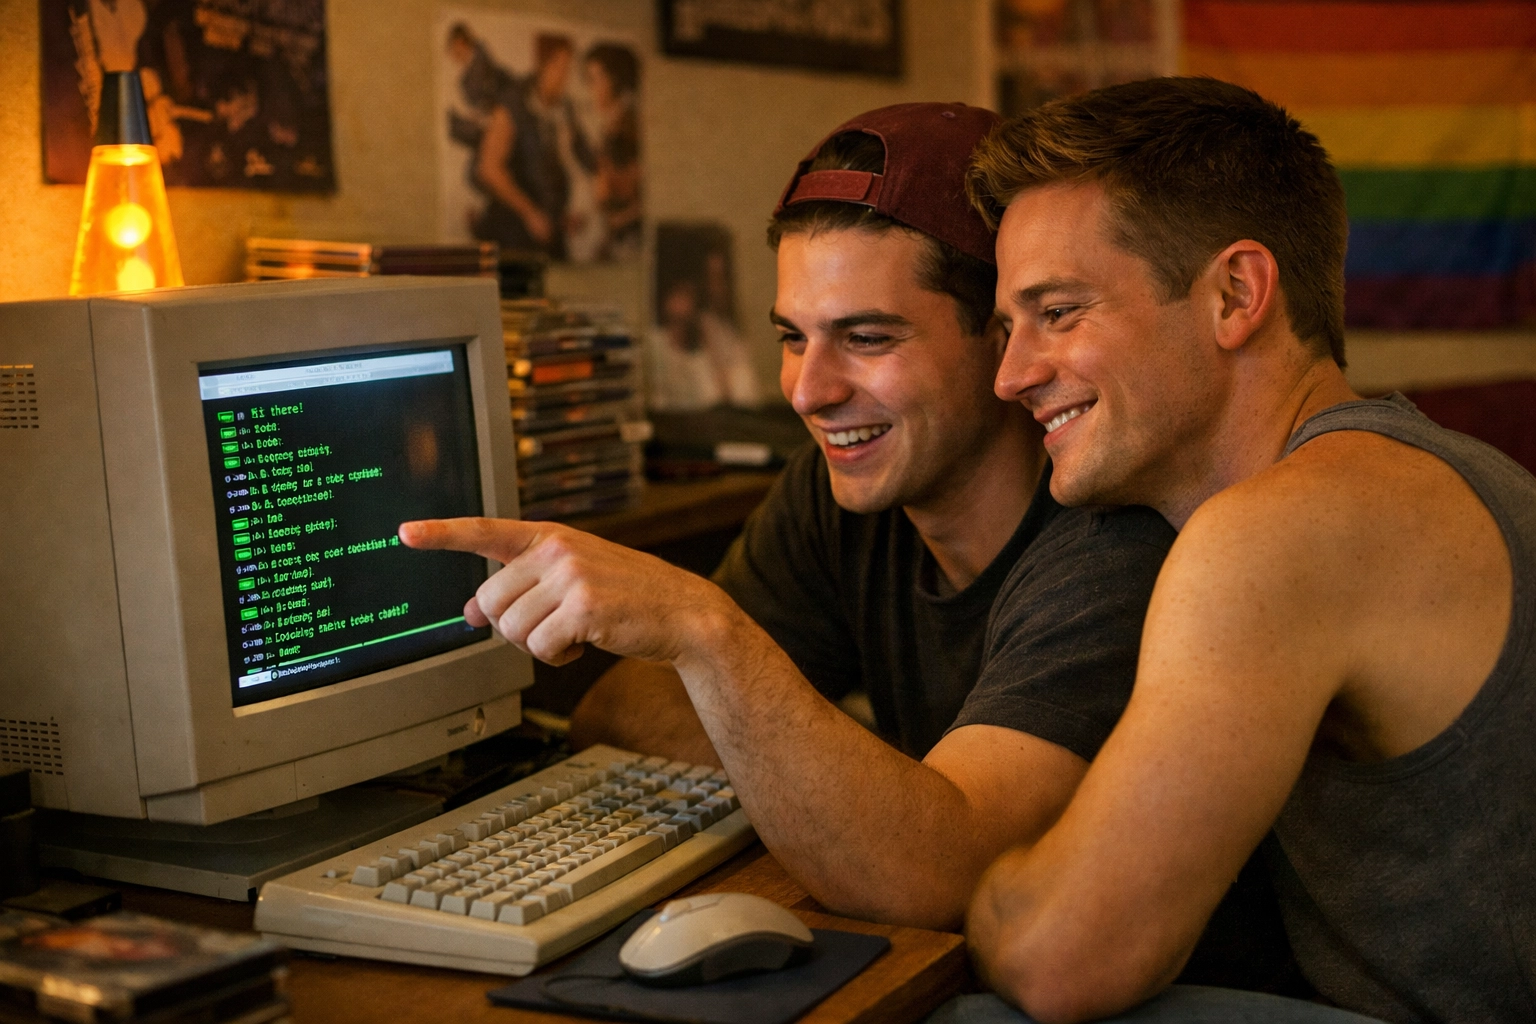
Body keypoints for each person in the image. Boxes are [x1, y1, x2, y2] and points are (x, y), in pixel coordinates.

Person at [400, 104, 1292, 994]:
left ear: (1000, 338)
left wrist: (709, 634)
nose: (809, 392)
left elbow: (935, 875)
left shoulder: (1119, 534)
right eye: (794, 338)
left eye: (867, 338)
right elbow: (621, 716)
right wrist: (860, 790)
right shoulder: (847, 492)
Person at [937, 76, 1534, 1024]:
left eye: (1059, 312)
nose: (1011, 377)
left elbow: (1066, 959)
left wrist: (987, 885)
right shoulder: (1411, 474)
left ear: (1235, 293)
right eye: (1009, 329)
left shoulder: (1278, 532)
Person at [472, 33, 595, 260]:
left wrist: (567, 215)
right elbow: (489, 168)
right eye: (559, 68)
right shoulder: (513, 104)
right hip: (512, 232)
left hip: (551, 233)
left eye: (568, 69)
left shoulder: (565, 110)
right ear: (543, 65)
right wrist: (530, 213)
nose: (564, 77)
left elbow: (581, 159)